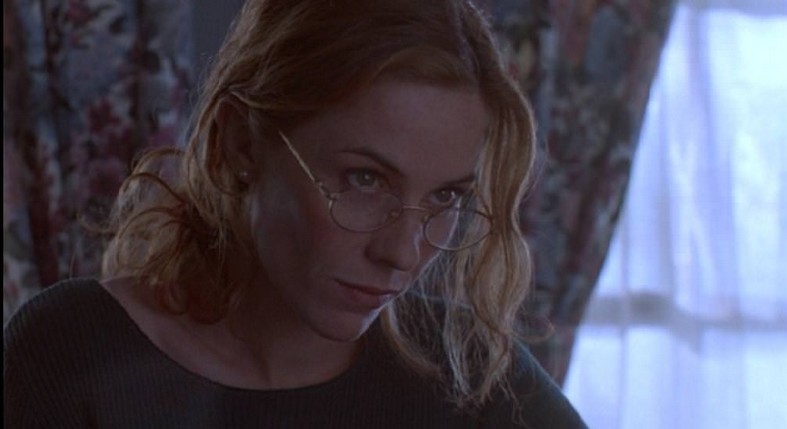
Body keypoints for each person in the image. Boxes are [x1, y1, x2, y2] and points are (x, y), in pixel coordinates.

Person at [3, 0, 587, 427]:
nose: (403, 252)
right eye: (364, 180)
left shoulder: (471, 375)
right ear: (239, 144)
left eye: (446, 197)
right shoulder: (74, 355)